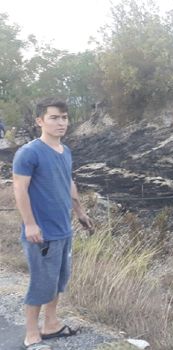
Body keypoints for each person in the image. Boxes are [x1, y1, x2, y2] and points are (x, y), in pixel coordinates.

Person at [12, 98, 93, 350]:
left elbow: (68, 182)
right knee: (41, 281)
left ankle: (51, 324)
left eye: (65, 118)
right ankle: (31, 333)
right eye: (54, 118)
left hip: (63, 228)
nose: (61, 123)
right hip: (42, 232)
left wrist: (79, 211)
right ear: (40, 121)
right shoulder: (29, 152)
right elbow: (20, 189)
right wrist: (30, 225)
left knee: (59, 279)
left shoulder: (65, 151)